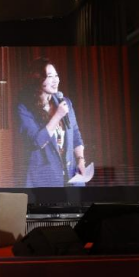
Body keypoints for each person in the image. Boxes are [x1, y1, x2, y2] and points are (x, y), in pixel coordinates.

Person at [16, 57, 87, 187]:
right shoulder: (25, 108)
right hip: (45, 180)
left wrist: (81, 160)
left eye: (56, 75)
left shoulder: (65, 103)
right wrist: (57, 116)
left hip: (71, 177)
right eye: (49, 76)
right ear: (37, 79)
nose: (56, 80)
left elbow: (76, 135)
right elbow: (37, 142)